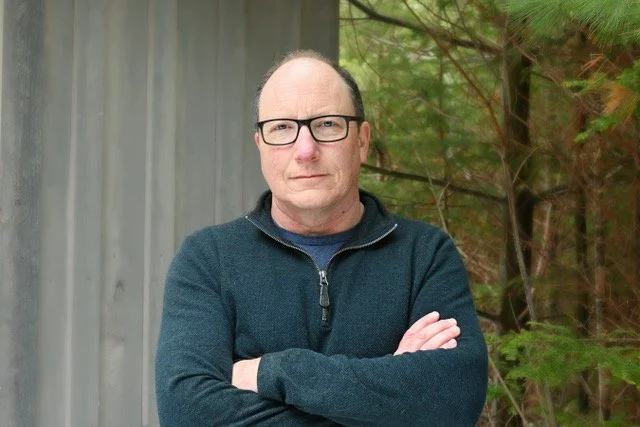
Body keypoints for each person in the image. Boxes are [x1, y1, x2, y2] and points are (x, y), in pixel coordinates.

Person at [155, 50, 488, 426]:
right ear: (261, 145)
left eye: (327, 124)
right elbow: (186, 413)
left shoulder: (424, 255)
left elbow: (454, 398)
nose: (306, 151)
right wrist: (387, 400)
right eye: (282, 128)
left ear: (362, 141)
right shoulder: (208, 260)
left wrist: (274, 372)